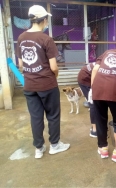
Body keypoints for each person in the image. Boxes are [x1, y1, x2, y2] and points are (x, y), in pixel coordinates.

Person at [15, 5, 70, 159]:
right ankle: (54, 145)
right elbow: (54, 66)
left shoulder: (21, 38)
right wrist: (56, 75)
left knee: (36, 117)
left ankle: (39, 148)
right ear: (44, 20)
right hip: (47, 84)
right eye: (47, 20)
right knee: (53, 115)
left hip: (29, 85)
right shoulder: (46, 39)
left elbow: (20, 64)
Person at [77, 62, 97, 137]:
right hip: (85, 80)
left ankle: (97, 125)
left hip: (88, 77)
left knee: (97, 103)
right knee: (93, 103)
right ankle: (94, 130)